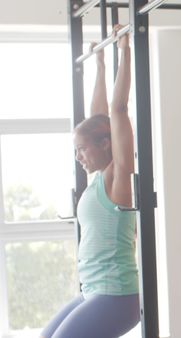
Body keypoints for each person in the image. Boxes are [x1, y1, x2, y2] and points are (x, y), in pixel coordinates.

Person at [41, 25, 139, 338]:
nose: (79, 157)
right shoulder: (97, 178)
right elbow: (98, 116)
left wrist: (125, 50)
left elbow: (117, 110)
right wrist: (99, 66)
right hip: (94, 289)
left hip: (116, 294)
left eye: (82, 149)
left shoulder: (117, 176)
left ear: (105, 144)